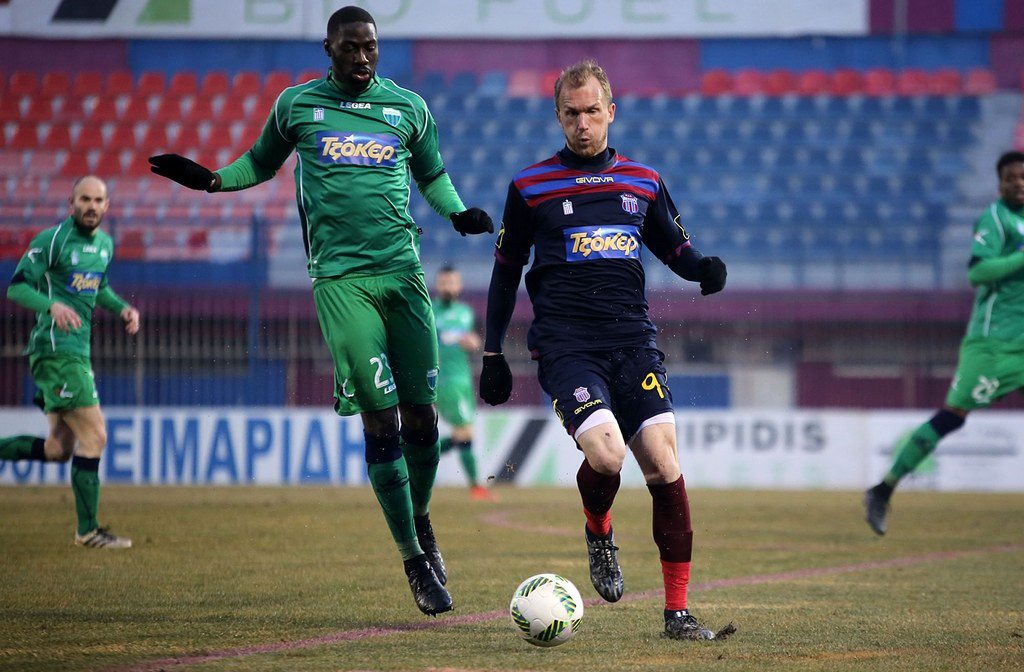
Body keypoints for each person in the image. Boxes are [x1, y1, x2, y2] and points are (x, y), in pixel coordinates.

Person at [147, 6, 492, 616]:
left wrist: (458, 212)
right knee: (380, 416)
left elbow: (432, 175)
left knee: (422, 416)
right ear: (329, 48)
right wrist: (210, 180)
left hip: (404, 274)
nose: (362, 57)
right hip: (340, 280)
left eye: (371, 47)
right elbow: (260, 163)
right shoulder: (297, 105)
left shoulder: (408, 108)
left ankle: (421, 518)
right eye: (351, 47)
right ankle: (413, 558)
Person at [478, 60, 733, 640]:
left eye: (593, 111)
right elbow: (506, 272)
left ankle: (677, 614)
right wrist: (492, 354)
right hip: (568, 347)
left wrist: (703, 268)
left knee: (664, 464)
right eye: (571, 113)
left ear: (611, 112)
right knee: (609, 454)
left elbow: (674, 247)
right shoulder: (530, 186)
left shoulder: (643, 181)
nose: (583, 123)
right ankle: (599, 529)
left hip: (632, 342)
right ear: (558, 116)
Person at [864, 150, 1024, 535]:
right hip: (993, 344)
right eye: (1011, 178)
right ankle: (882, 490)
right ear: (999, 184)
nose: (1019, 184)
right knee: (953, 416)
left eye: (1023, 177)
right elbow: (978, 272)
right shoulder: (996, 219)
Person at [0, 175, 140, 549]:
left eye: (98, 200)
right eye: (85, 199)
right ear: (71, 203)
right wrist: (52, 306)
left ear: (107, 206)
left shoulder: (105, 245)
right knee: (96, 435)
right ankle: (88, 532)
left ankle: (87, 531)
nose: (91, 206)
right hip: (56, 351)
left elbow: (99, 288)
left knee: (58, 450)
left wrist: (122, 309)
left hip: (76, 352)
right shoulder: (53, 240)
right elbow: (17, 286)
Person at [432, 266, 496, 502]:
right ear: (437, 285)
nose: (448, 286)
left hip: (463, 379)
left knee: (464, 435)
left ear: (459, 285)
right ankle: (476, 486)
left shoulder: (465, 312)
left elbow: (471, 340)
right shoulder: (429, 311)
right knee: (464, 432)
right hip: (445, 379)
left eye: (452, 282)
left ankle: (416, 454)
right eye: (444, 282)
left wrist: (473, 342)